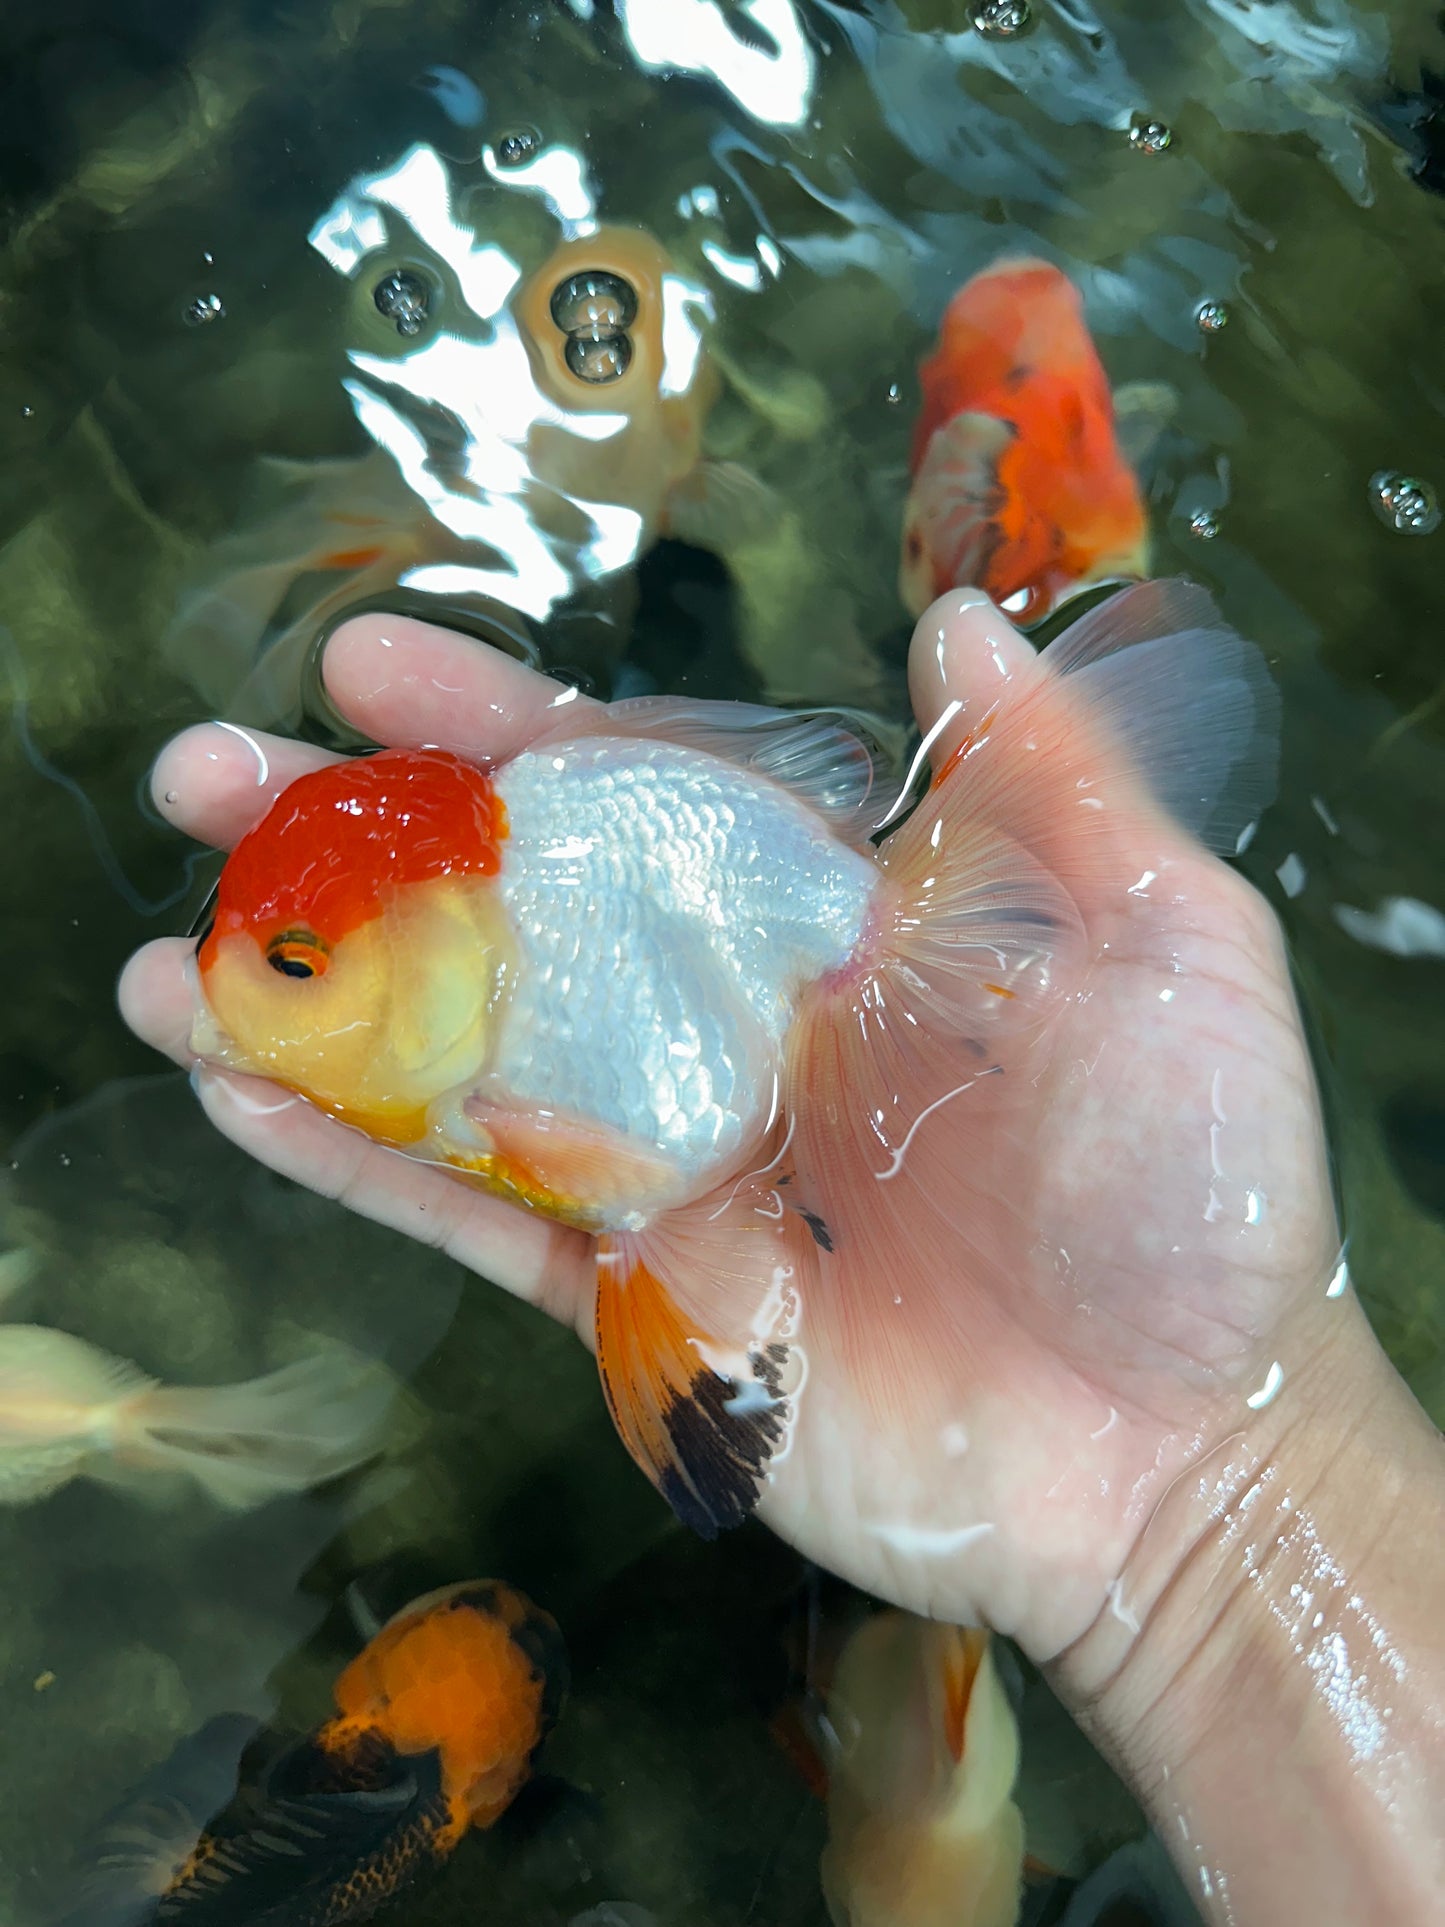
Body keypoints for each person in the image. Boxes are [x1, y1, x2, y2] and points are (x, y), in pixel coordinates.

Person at [119, 594, 1445, 1925]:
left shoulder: (535, 997)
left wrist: (1213, 1493)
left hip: (754, 1011)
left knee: (639, 1212)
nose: (247, 983)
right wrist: (1221, 1506)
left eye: (292, 962)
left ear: (433, 952)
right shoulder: (482, 967)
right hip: (726, 1051)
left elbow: (624, 1184)